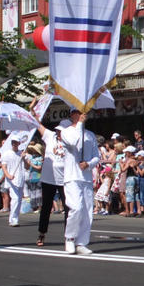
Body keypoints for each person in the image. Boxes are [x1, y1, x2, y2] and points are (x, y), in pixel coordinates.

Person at [60, 108, 100, 255]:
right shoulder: (66, 132)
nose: (83, 115)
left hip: (87, 177)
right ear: (72, 115)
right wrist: (80, 125)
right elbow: (73, 142)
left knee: (87, 212)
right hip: (72, 176)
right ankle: (70, 238)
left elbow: (97, 156)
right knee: (76, 208)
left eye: (85, 112)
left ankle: (82, 242)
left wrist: (89, 164)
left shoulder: (90, 135)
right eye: (79, 112)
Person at [32, 121, 69, 247]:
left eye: (61, 131)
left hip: (65, 180)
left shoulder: (71, 141)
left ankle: (68, 237)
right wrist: (33, 111)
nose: (59, 133)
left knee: (68, 208)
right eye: (58, 130)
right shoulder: (50, 136)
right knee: (46, 208)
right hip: (48, 179)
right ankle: (41, 234)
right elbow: (37, 124)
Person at [0, 136, 25, 227]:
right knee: (15, 199)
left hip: (20, 179)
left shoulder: (21, 153)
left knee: (18, 200)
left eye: (16, 142)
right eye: (13, 142)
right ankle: (13, 219)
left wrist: (24, 157)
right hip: (12, 180)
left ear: (19, 143)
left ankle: (15, 218)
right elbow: (3, 166)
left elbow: (25, 166)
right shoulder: (7, 153)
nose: (14, 144)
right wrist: (8, 175)